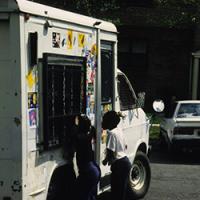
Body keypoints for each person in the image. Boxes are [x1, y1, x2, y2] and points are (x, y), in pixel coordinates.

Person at [102, 111, 131, 200]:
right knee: (121, 190)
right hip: (125, 161)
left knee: (116, 191)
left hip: (119, 165)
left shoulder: (111, 133)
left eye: (105, 120)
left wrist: (105, 160)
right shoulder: (119, 130)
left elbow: (111, 150)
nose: (103, 122)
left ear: (110, 122)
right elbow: (125, 145)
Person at [72, 115, 101, 200]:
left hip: (88, 171)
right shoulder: (89, 134)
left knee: (82, 194)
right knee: (90, 195)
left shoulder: (80, 138)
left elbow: (74, 131)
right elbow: (92, 129)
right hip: (94, 169)